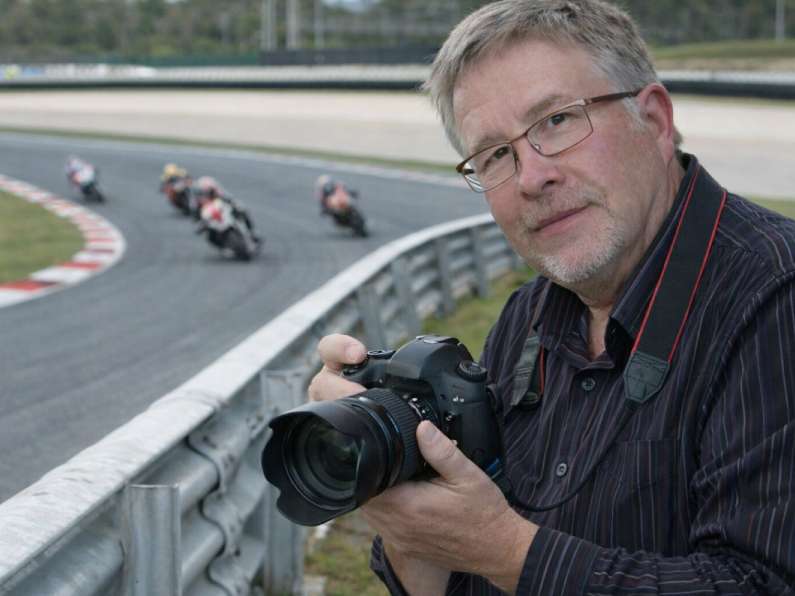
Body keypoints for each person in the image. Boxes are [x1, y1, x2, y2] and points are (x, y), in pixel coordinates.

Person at [307, 1, 795, 595]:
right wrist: (402, 487)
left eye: (557, 122)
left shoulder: (774, 293)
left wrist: (507, 550)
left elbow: (759, 582)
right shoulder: (526, 320)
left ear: (656, 121)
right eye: (494, 155)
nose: (532, 177)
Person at [193, 175, 260, 242]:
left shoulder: (220, 195)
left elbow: (232, 201)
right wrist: (201, 223)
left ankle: (252, 232)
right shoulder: (199, 202)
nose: (206, 194)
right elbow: (196, 216)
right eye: (203, 192)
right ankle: (222, 245)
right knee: (208, 235)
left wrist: (236, 206)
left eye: (209, 191)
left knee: (242, 211)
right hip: (212, 222)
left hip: (225, 214)